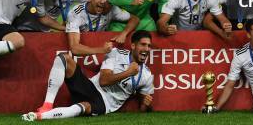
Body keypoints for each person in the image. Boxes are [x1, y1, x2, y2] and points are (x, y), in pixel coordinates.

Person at [23, 31, 155, 121]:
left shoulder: (147, 75)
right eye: (143, 45)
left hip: (105, 104)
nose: (147, 49)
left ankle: (39, 116)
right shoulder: (116, 53)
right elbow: (103, 80)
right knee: (64, 58)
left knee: (84, 106)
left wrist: (145, 104)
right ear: (133, 45)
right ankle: (47, 105)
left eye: (149, 46)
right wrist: (128, 72)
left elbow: (142, 111)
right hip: (91, 87)